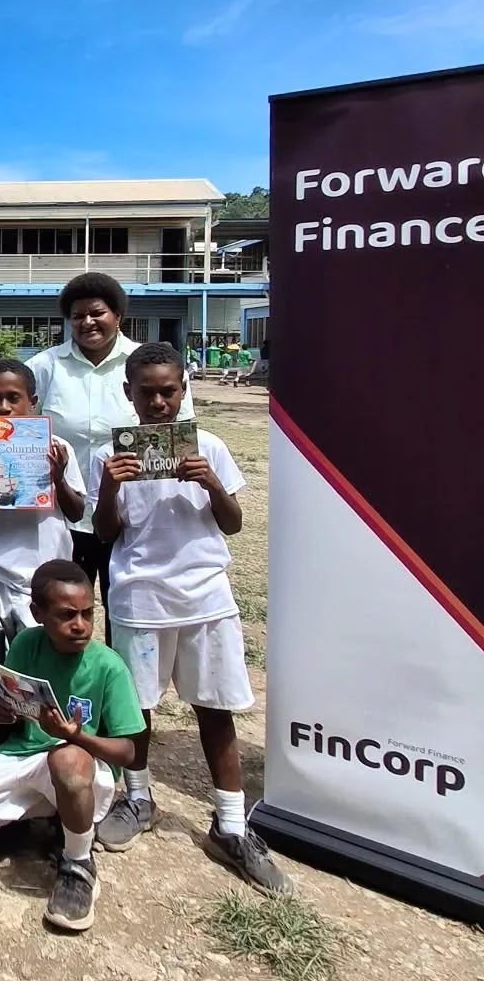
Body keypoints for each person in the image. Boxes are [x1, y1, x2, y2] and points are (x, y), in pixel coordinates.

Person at [88, 342, 288, 892]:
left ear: (184, 390)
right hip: (139, 597)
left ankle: (229, 823)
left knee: (215, 707)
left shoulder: (212, 448)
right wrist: (111, 485)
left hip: (205, 597)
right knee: (138, 710)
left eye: (168, 391)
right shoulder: (111, 458)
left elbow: (234, 523)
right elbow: (106, 534)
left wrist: (212, 484)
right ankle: (139, 797)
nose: (157, 402)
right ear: (128, 393)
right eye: (146, 392)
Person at [0, 560, 144, 933]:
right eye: (66, 615)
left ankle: (78, 864)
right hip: (24, 757)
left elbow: (128, 753)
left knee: (66, 760)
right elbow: (14, 713)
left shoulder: (108, 667)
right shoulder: (24, 643)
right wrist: (0, 711)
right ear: (37, 613)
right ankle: (49, 820)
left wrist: (77, 736)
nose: (80, 625)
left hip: (82, 767)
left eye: (87, 613)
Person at [29, 273, 193, 626]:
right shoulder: (44, 367)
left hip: (131, 518)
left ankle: (122, 678)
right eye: (77, 315)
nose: (87, 322)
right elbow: (19, 427)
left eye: (97, 312)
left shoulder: (149, 365)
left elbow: (178, 433)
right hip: (64, 514)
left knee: (128, 614)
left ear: (118, 315)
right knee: (66, 616)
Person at [0, 358, 85, 634]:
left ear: (32, 400)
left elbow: (76, 513)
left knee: (44, 652)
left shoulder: (58, 447)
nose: (4, 407)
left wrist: (58, 480)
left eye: (13, 398)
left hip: (45, 571)